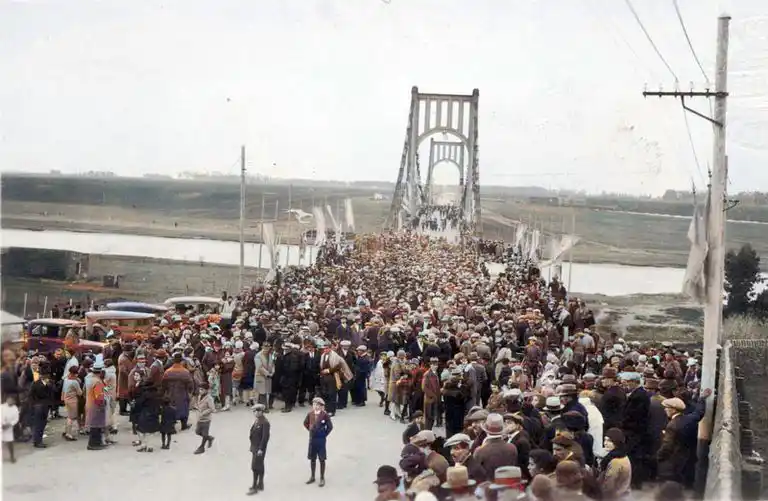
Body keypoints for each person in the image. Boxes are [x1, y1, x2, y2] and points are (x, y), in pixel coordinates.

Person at [304, 396, 333, 487]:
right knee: (312, 459)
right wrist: (310, 429)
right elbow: (305, 423)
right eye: (314, 404)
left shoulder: (324, 415)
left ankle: (322, 477)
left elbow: (330, 427)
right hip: (312, 439)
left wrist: (324, 434)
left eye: (318, 405)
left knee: (322, 459)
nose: (316, 407)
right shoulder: (310, 414)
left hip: (321, 440)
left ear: (321, 406)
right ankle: (312, 476)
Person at [248, 403, 271, 495]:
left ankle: (255, 486)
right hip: (254, 446)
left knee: (255, 466)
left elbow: (265, 437)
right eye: (254, 411)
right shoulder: (257, 420)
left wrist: (261, 449)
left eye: (257, 411)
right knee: (259, 465)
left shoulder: (265, 422)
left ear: (261, 411)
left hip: (259, 448)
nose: (255, 413)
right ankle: (260, 484)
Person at [194, 382, 215, 454]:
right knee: (197, 432)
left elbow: (212, 409)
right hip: (199, 418)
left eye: (202, 389)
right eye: (200, 389)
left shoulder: (209, 398)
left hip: (206, 419)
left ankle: (201, 447)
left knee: (205, 434)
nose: (200, 391)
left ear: (206, 390)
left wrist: (204, 413)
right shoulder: (200, 396)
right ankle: (210, 438)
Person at [2, 396, 19, 463]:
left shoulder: (15, 409)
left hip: (8, 427)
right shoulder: (2, 407)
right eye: (9, 399)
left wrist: (9, 424)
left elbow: (16, 419)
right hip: (1, 425)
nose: (10, 401)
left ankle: (12, 456)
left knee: (10, 442)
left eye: (12, 400)